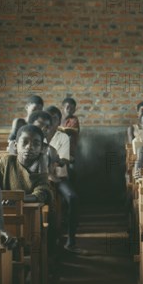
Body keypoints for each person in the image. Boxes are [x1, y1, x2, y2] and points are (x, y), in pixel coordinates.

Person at [44, 106, 81, 253]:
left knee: (73, 198)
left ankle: (71, 239)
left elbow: (63, 161)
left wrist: (52, 162)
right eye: (49, 118)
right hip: (42, 178)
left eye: (55, 119)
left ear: (59, 121)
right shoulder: (38, 134)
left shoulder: (63, 136)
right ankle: (50, 244)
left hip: (58, 177)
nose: (51, 122)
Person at [0, 125, 52, 204]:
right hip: (4, 207)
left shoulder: (41, 164)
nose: (29, 147)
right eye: (25, 142)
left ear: (41, 148)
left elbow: (42, 193)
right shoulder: (6, 161)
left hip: (31, 211)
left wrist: (18, 199)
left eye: (36, 144)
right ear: (16, 145)